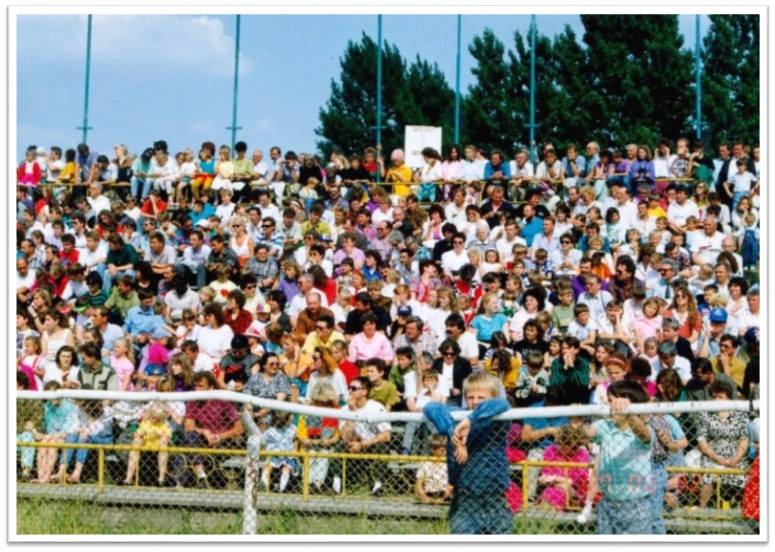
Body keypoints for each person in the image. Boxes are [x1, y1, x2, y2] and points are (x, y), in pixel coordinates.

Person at [423, 372, 512, 534]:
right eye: (470, 397)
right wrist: (455, 433)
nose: (475, 401)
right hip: (465, 492)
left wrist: (470, 420)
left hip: (492, 492)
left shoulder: (497, 418)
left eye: (481, 397)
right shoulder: (460, 415)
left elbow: (501, 403)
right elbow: (431, 407)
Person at [582, 380, 654, 534]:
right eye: (609, 402)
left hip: (636, 504)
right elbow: (586, 433)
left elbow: (645, 435)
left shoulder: (644, 429)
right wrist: (576, 422)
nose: (610, 407)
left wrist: (629, 413)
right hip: (608, 502)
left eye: (613, 402)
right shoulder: (605, 425)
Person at [415, 434, 452, 504]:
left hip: (444, 494)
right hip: (429, 494)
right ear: (433, 450)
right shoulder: (425, 464)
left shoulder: (448, 464)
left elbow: (451, 484)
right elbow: (419, 484)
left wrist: (443, 498)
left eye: (445, 449)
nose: (445, 452)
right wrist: (425, 497)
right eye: (442, 450)